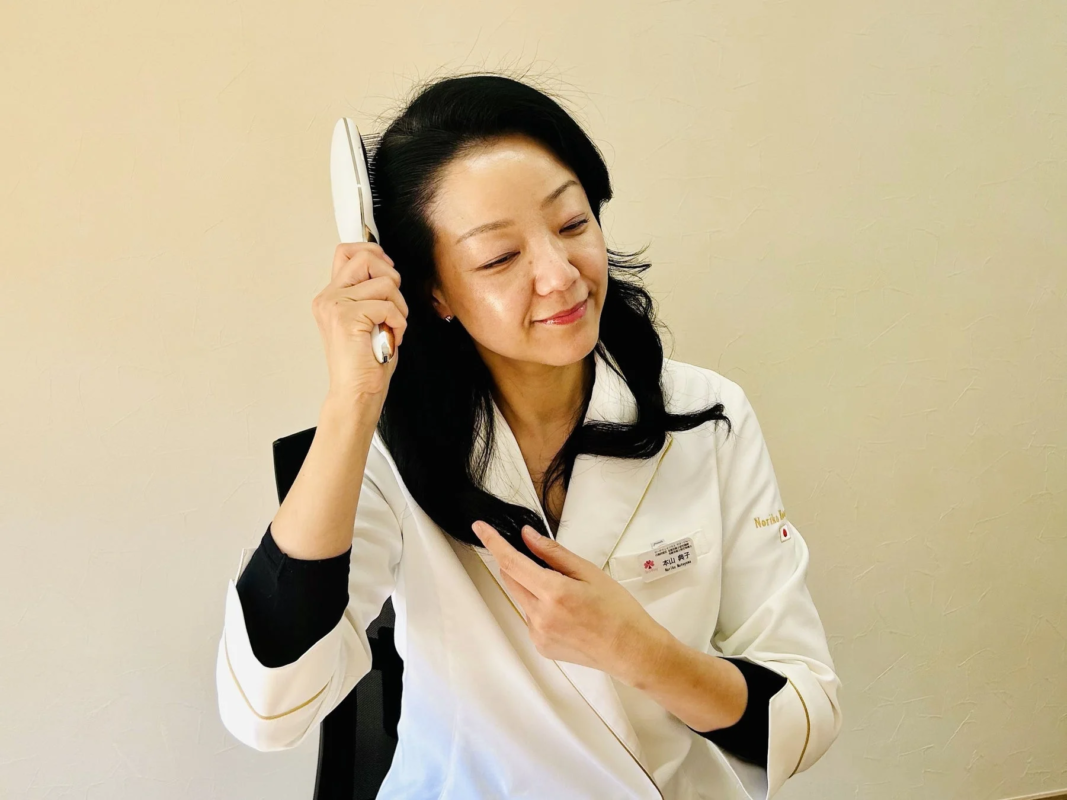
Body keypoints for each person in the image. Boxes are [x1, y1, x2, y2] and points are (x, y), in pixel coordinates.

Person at [215, 71, 842, 799]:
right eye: (498, 258)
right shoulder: (385, 450)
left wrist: (643, 653)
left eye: (573, 224)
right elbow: (266, 710)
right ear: (435, 293)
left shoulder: (705, 412)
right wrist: (354, 397)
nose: (560, 275)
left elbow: (807, 712)